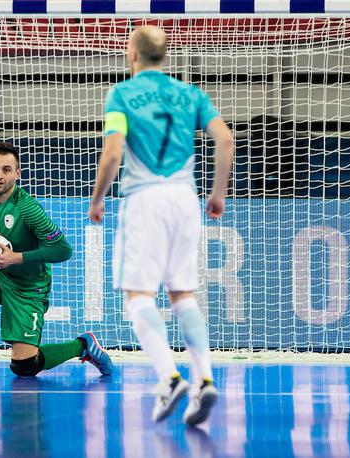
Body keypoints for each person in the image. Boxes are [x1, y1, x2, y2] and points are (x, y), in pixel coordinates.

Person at [88, 26, 234, 425]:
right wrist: (217, 194)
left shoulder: (122, 95)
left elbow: (114, 150)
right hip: (185, 199)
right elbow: (225, 140)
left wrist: (98, 199)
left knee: (139, 296)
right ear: (163, 55)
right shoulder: (191, 94)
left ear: (132, 55)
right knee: (183, 295)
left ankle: (169, 378)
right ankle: (204, 378)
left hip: (145, 200)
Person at [0, 141, 113, 378]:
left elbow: (63, 250)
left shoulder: (28, 209)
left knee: (25, 367)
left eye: (6, 170)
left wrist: (16, 258)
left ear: (17, 173)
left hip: (28, 286)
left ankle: (84, 345)